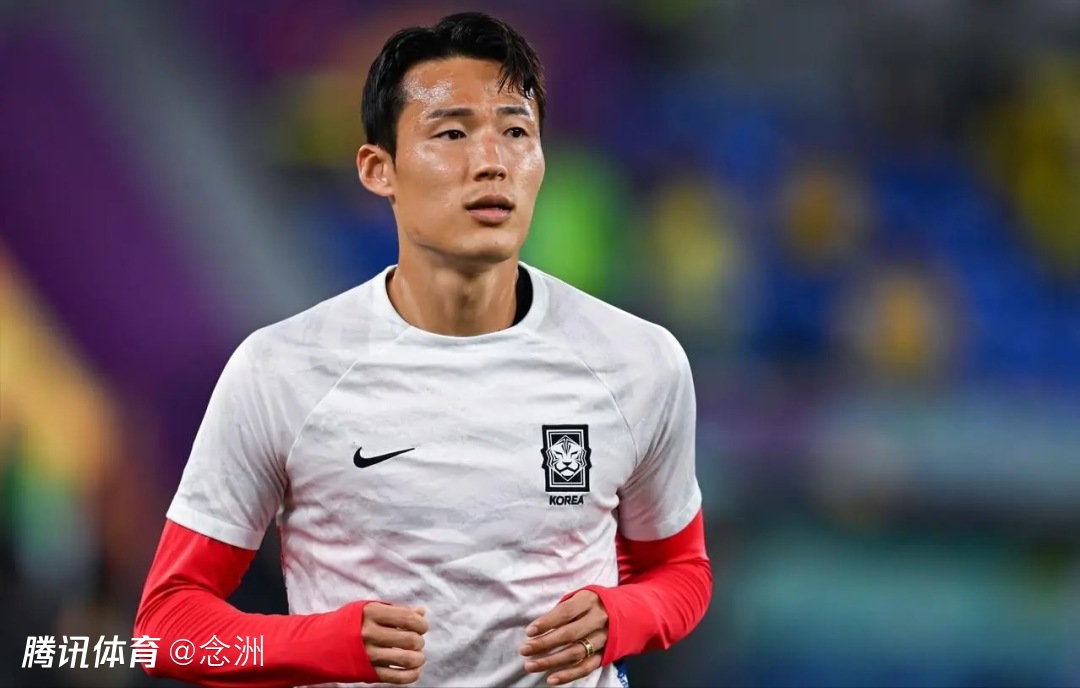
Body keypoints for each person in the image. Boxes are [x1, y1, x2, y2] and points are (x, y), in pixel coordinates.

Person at [134, 11, 712, 687]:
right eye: (452, 133)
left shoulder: (639, 361)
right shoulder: (281, 369)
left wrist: (626, 616)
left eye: (516, 132)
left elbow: (682, 571)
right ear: (379, 169)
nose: (492, 162)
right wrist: (321, 644)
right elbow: (164, 628)